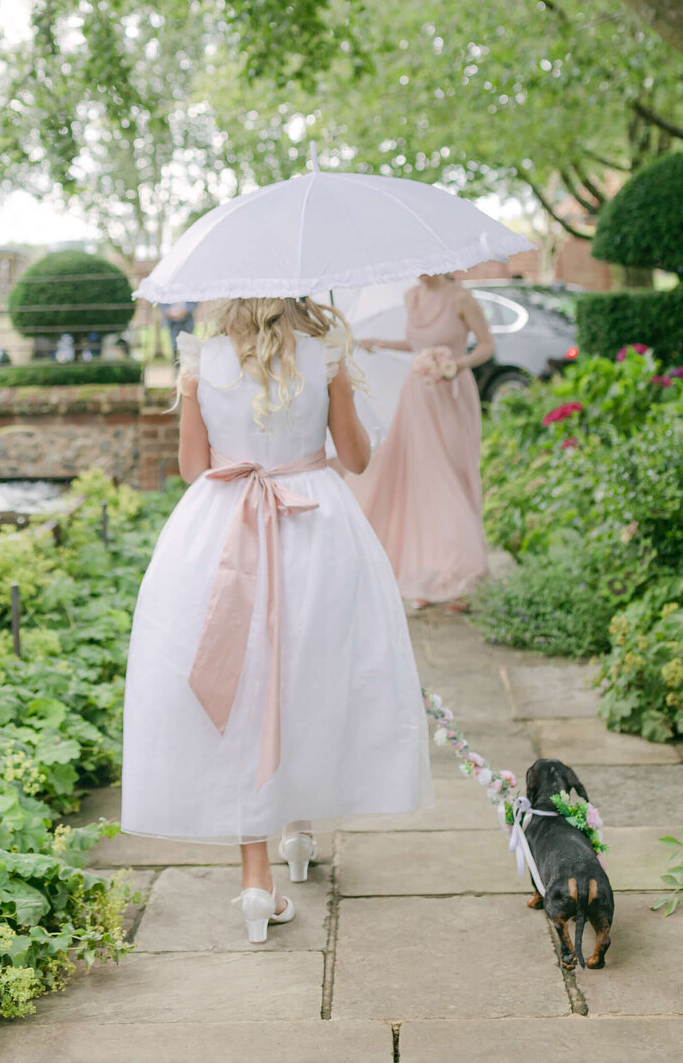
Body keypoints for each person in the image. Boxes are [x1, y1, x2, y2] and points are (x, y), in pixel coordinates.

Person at [121, 295, 430, 943]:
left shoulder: (200, 359)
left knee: (243, 688)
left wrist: (199, 399)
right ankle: (298, 829)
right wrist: (337, 390)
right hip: (313, 523)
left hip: (221, 527)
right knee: (310, 675)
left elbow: (189, 468)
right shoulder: (325, 355)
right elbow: (355, 457)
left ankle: (257, 878)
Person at [352, 273, 495, 611]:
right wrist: (381, 343)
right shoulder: (411, 297)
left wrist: (458, 364)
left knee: (450, 476)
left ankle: (462, 575)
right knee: (420, 478)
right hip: (417, 395)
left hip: (452, 394)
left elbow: (488, 346)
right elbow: (417, 345)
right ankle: (427, 574)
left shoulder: (461, 298)